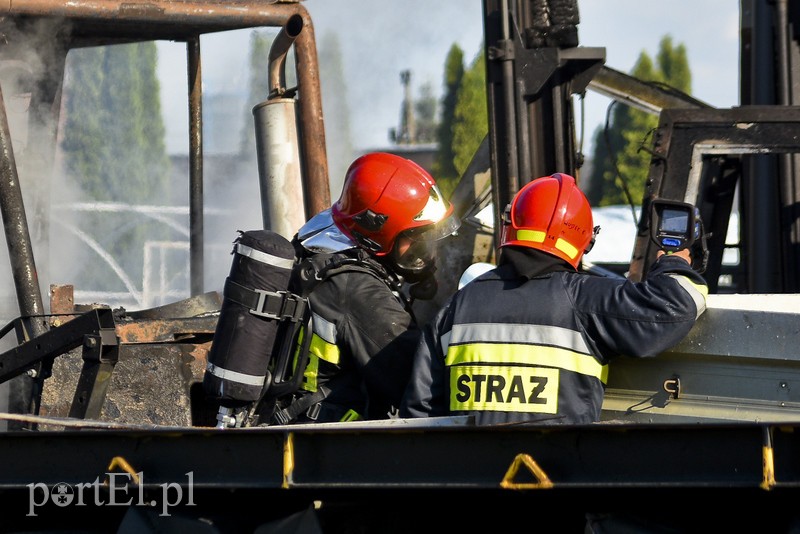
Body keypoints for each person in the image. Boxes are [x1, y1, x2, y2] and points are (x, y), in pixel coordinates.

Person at [400, 172, 707, 425]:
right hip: (557, 482)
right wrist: (673, 261)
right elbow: (676, 306)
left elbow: (419, 413)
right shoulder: (586, 299)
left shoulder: (458, 306)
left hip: (472, 489)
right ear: (582, 240)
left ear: (512, 226)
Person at [270, 152, 460, 424]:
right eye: (414, 238)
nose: (425, 252)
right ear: (377, 232)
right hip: (329, 445)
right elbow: (418, 385)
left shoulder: (320, 250)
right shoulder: (357, 290)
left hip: (300, 425)